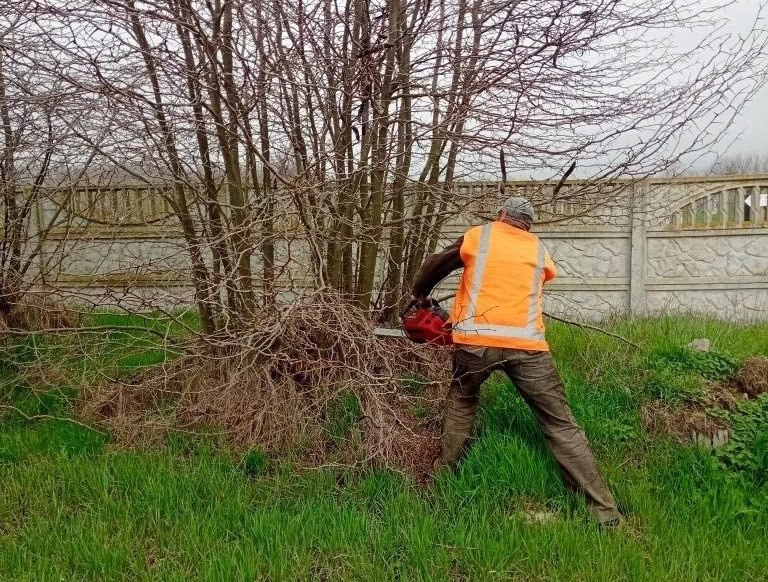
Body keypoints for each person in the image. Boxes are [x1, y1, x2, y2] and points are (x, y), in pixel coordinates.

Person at [411, 196, 623, 528]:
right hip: (527, 347)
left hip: (475, 343)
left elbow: (435, 265)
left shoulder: (479, 236)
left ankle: (442, 480)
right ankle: (604, 513)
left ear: (501, 215)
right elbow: (540, 279)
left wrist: (419, 293)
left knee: (463, 400)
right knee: (560, 424)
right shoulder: (539, 250)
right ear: (528, 224)